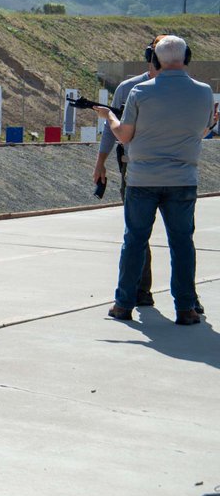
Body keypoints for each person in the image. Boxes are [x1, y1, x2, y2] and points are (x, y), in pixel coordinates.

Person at [94, 35, 213, 325]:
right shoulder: (205, 92)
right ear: (186, 58)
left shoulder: (139, 92)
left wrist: (109, 116)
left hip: (142, 178)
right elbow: (203, 131)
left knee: (134, 241)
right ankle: (185, 308)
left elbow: (124, 135)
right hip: (183, 178)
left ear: (156, 59)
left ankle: (123, 305)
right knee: (182, 243)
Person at [92, 37, 165, 307]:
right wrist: (100, 163)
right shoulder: (128, 88)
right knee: (138, 232)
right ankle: (142, 290)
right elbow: (111, 133)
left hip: (161, 168)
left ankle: (186, 298)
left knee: (175, 236)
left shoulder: (181, 89)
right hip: (131, 166)